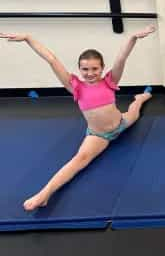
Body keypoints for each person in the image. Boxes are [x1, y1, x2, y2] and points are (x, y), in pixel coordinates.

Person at [0, 25, 155, 211]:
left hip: (120, 123)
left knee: (135, 110)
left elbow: (122, 58)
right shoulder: (75, 87)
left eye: (95, 69)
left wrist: (133, 38)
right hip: (99, 136)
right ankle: (45, 194)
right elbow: (51, 59)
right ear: (79, 69)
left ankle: (141, 97)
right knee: (79, 160)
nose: (90, 73)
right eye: (85, 69)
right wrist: (28, 38)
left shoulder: (110, 81)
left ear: (102, 68)